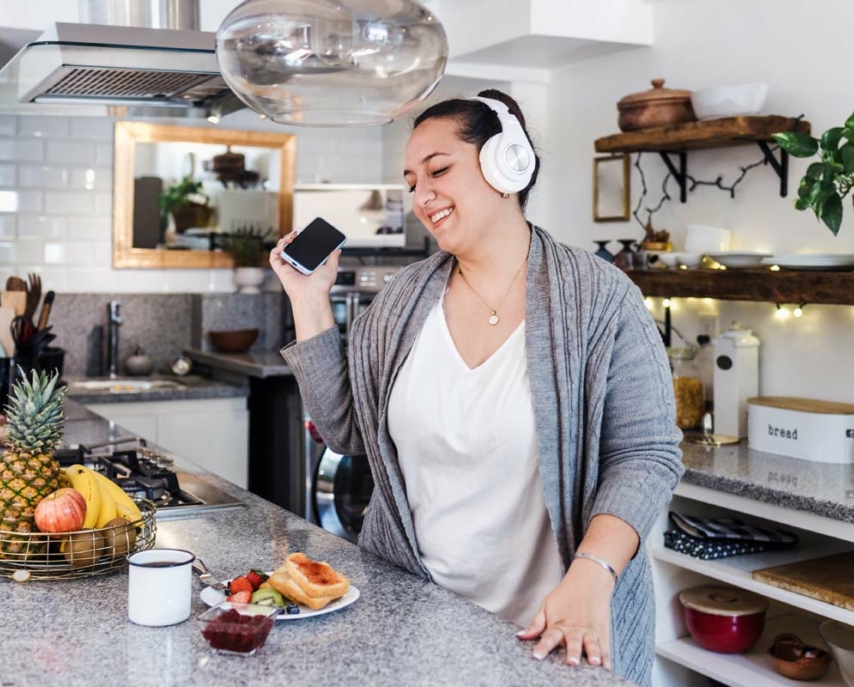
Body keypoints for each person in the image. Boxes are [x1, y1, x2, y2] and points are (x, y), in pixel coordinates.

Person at [272, 89, 683, 686]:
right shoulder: (401, 302)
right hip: (415, 621)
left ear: (505, 165)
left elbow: (645, 455)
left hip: (558, 630)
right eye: (412, 181)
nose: (421, 196)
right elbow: (345, 429)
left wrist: (592, 573)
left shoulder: (598, 297)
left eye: (439, 170)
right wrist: (308, 300)